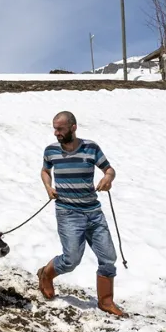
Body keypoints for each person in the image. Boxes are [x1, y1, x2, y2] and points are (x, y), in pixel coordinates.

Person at [37, 110, 124, 315]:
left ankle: (105, 301)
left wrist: (108, 178)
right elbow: (44, 170)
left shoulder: (90, 148)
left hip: (93, 212)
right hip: (68, 212)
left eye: (60, 129)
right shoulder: (51, 151)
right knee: (71, 259)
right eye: (55, 128)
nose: (56, 133)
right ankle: (46, 275)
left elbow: (109, 169)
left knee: (108, 257)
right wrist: (48, 187)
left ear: (73, 127)